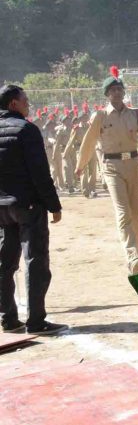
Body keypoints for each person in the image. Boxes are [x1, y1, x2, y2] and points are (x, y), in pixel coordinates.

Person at [0, 85, 67, 336]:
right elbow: (40, 173)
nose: (28, 104)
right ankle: (36, 321)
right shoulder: (26, 130)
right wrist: (54, 205)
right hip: (27, 206)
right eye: (25, 100)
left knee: (5, 263)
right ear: (14, 104)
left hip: (2, 208)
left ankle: (8, 318)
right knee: (35, 261)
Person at [76, 67, 138, 275]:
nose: (117, 93)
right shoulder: (99, 116)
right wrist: (81, 164)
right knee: (123, 212)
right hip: (112, 167)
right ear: (107, 94)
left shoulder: (135, 114)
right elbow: (89, 141)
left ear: (124, 93)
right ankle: (132, 255)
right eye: (113, 90)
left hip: (134, 164)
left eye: (119, 89)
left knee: (136, 214)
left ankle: (137, 257)